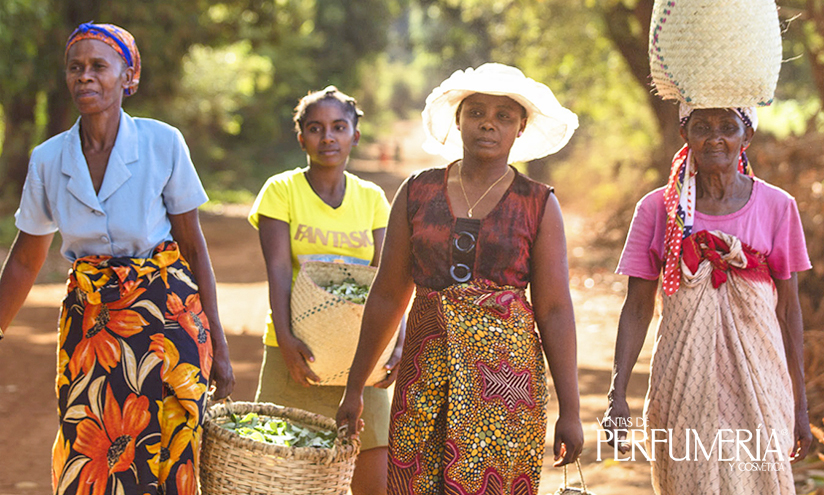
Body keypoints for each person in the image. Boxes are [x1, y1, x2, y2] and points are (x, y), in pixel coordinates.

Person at [0, 22, 234, 494]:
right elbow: (25, 260)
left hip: (168, 320)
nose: (85, 77)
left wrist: (221, 349)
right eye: (75, 68)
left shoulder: (162, 143)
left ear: (129, 78)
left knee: (171, 453)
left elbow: (192, 246)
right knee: (89, 452)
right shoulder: (48, 160)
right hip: (94, 325)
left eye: (98, 66)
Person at [337, 63, 584, 495]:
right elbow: (388, 295)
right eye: (476, 112)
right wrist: (354, 387)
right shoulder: (417, 192)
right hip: (424, 375)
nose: (488, 122)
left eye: (504, 115)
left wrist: (572, 410)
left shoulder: (538, 204)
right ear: (458, 120)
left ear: (520, 128)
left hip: (505, 387)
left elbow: (555, 308)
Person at [603, 105, 812, 494]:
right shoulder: (657, 209)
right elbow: (636, 307)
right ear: (686, 136)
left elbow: (788, 310)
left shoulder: (778, 207)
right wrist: (617, 397)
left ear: (746, 138)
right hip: (682, 382)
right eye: (701, 127)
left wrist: (800, 408)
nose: (714, 137)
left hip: (760, 385)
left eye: (727, 127)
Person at [247, 86, 402, 495]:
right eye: (315, 128)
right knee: (285, 479)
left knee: (376, 479)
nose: (327, 137)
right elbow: (278, 269)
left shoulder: (371, 199)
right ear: (301, 138)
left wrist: (397, 340)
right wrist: (287, 340)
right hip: (296, 353)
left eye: (338, 127)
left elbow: (388, 276)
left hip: (363, 355)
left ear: (355, 134)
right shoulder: (281, 191)